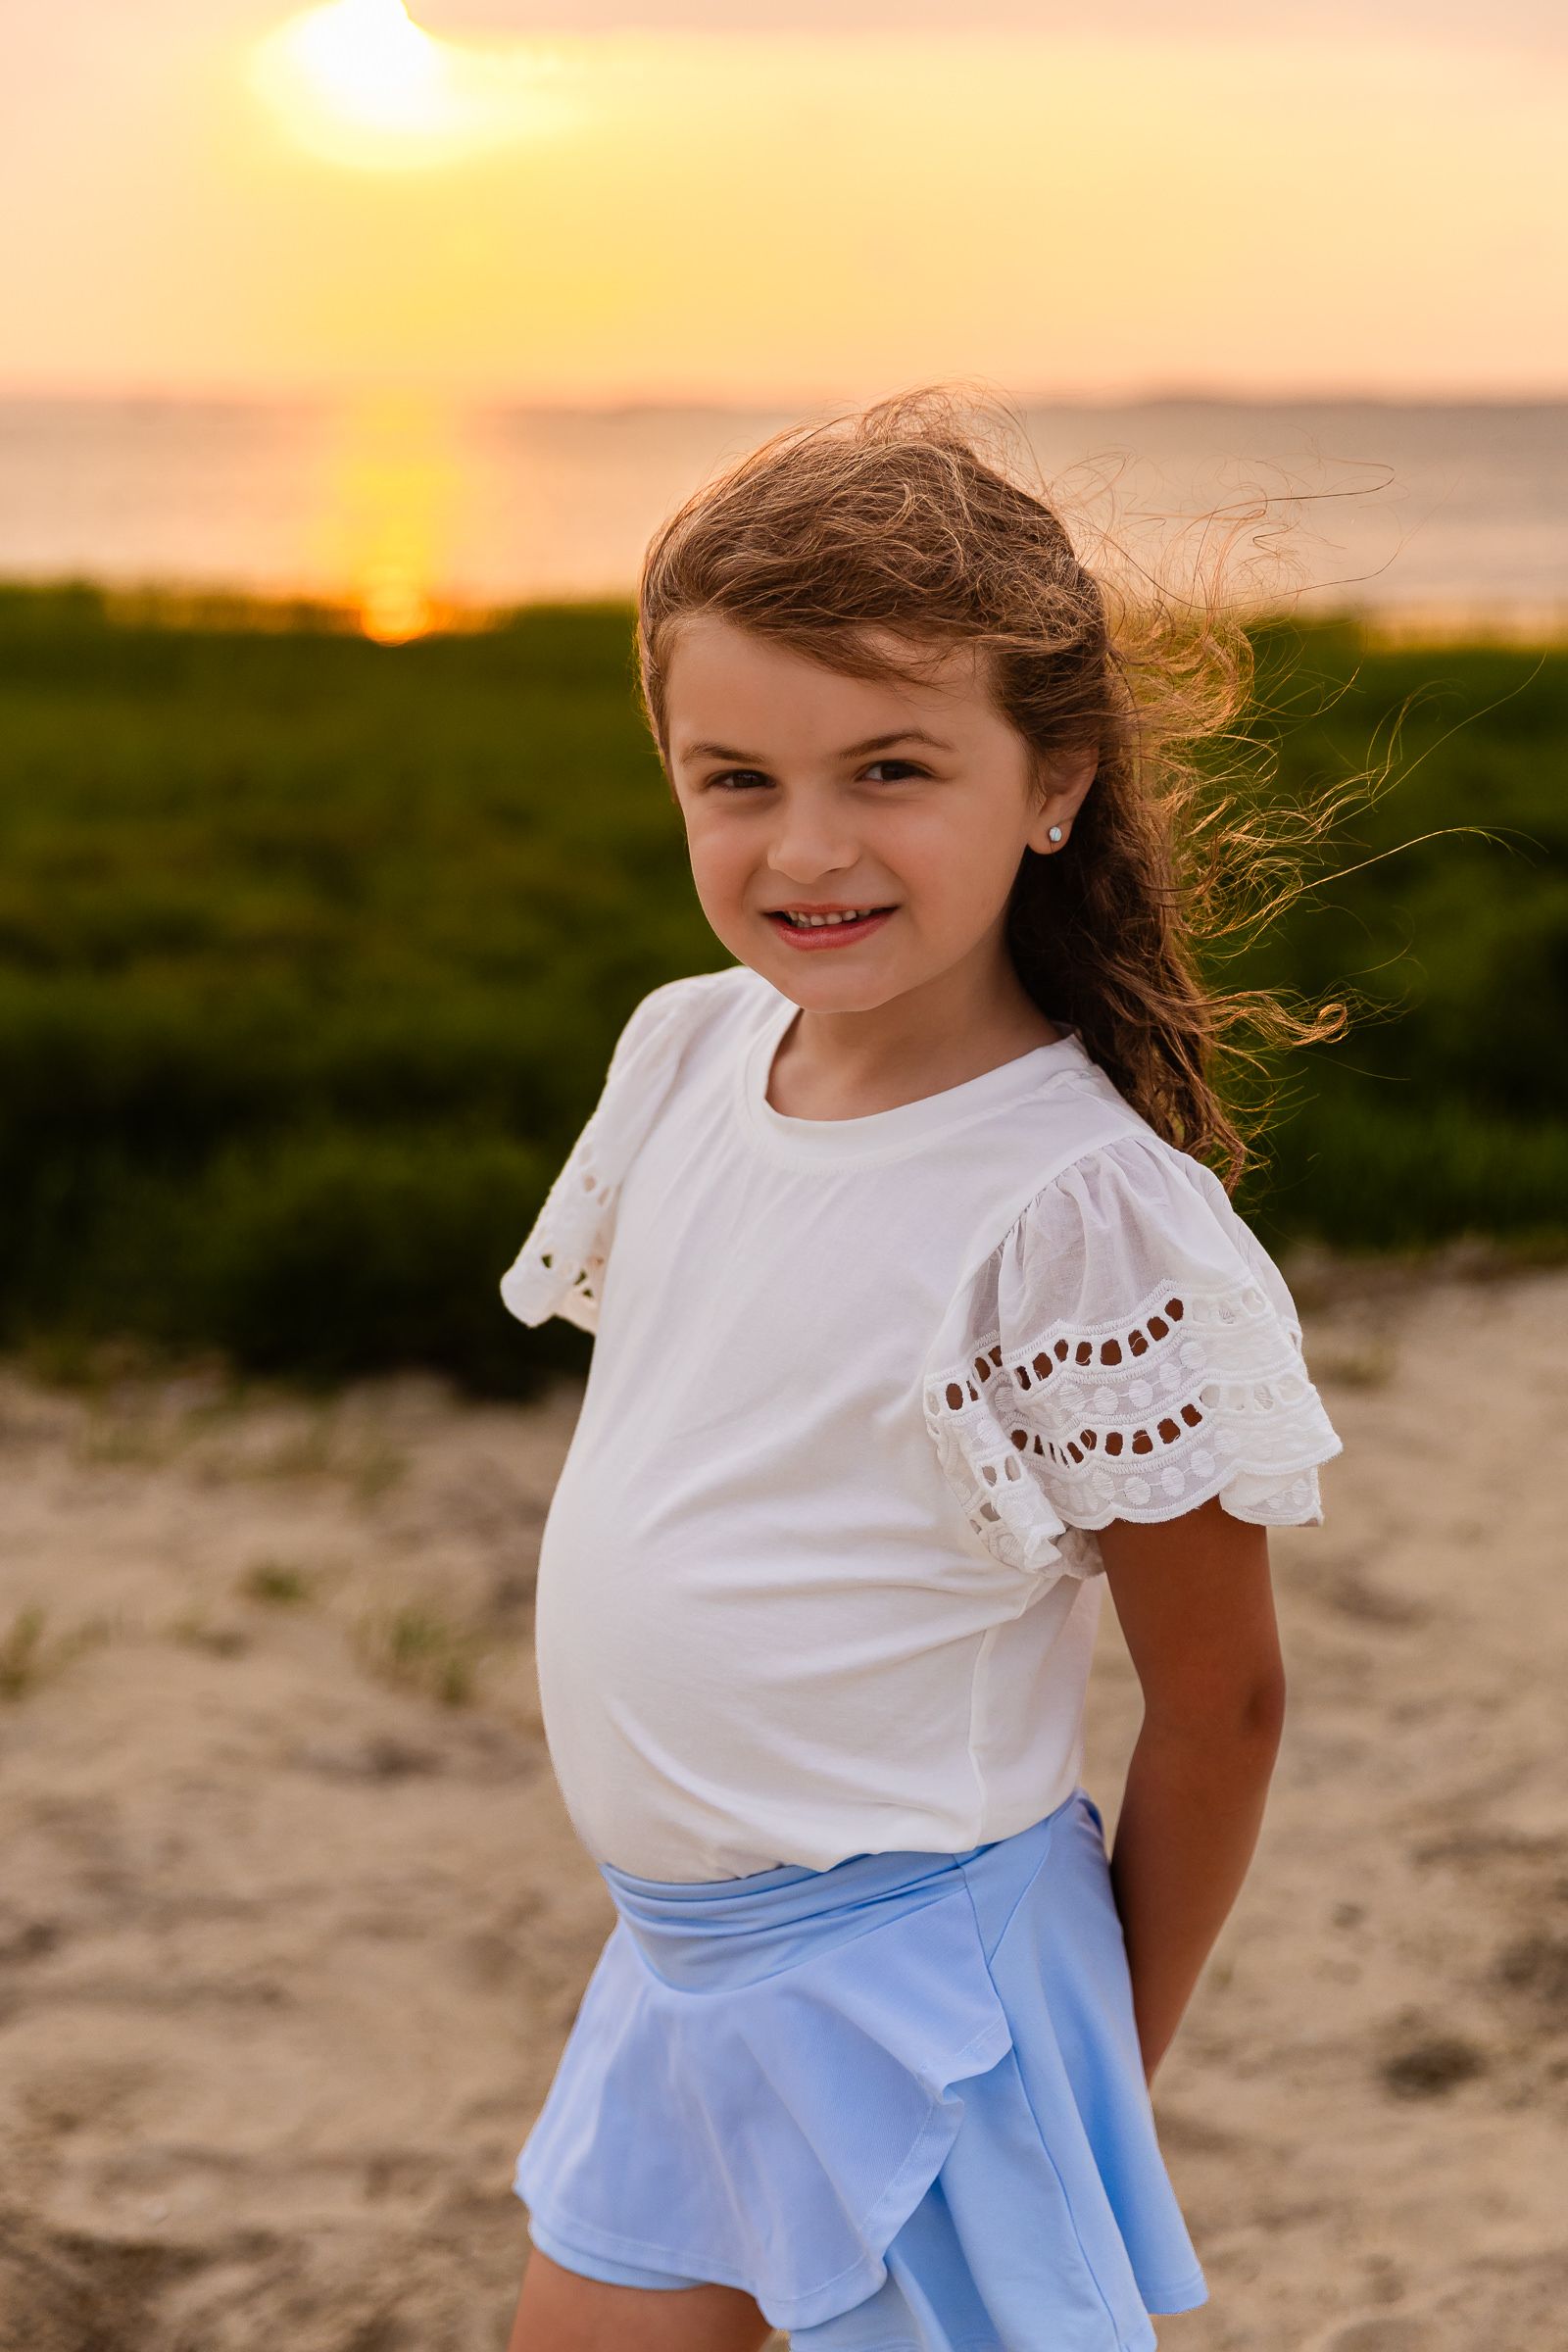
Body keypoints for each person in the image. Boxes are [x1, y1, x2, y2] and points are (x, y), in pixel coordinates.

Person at [498, 387, 1345, 2352]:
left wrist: (1085, 2067)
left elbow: (1219, 1699)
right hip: (672, 1968)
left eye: (889, 769)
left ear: (1052, 781)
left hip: (921, 1999)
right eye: (735, 779)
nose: (808, 848)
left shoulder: (1077, 1214)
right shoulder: (686, 1051)